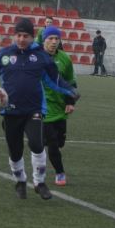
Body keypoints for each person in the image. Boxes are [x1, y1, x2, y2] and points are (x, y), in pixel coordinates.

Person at [0, 18, 80, 200]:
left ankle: (39, 182)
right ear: (14, 35)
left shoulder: (41, 57)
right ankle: (20, 182)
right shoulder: (3, 55)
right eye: (18, 35)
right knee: (15, 150)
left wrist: (71, 91)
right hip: (10, 111)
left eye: (25, 36)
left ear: (32, 37)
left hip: (34, 109)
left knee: (37, 144)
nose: (21, 39)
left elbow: (54, 80)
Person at [41, 26, 77, 185]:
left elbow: (71, 82)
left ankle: (40, 141)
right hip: (43, 109)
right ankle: (60, 173)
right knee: (54, 145)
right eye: (50, 39)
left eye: (57, 39)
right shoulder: (36, 58)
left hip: (61, 108)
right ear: (44, 41)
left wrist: (70, 102)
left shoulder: (65, 59)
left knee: (60, 142)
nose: (54, 42)